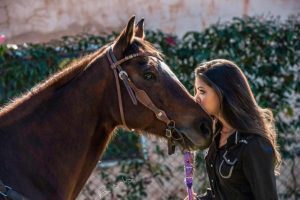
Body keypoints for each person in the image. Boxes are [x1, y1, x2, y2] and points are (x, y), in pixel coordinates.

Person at [185, 59, 281, 200]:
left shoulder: (254, 144)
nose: (196, 98)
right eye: (196, 91)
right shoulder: (217, 135)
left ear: (223, 92)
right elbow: (225, 192)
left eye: (202, 91)